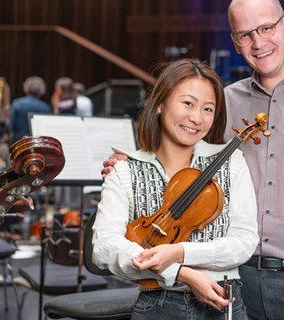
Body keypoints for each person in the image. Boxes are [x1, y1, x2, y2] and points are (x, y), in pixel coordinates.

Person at [103, 0, 284, 318]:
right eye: (245, 35)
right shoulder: (223, 102)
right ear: (235, 42)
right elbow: (185, 176)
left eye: (266, 28)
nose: (258, 43)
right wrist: (135, 170)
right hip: (235, 280)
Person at [92, 58, 259, 320]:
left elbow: (244, 242)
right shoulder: (125, 169)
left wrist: (180, 252)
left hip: (222, 300)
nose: (196, 118)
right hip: (157, 304)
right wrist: (182, 272)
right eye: (188, 103)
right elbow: (103, 248)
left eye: (207, 109)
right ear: (160, 103)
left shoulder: (231, 162)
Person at [9, 76, 51, 143]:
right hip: (37, 143)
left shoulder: (17, 103)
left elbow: (11, 125)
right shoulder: (45, 107)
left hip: (19, 143)